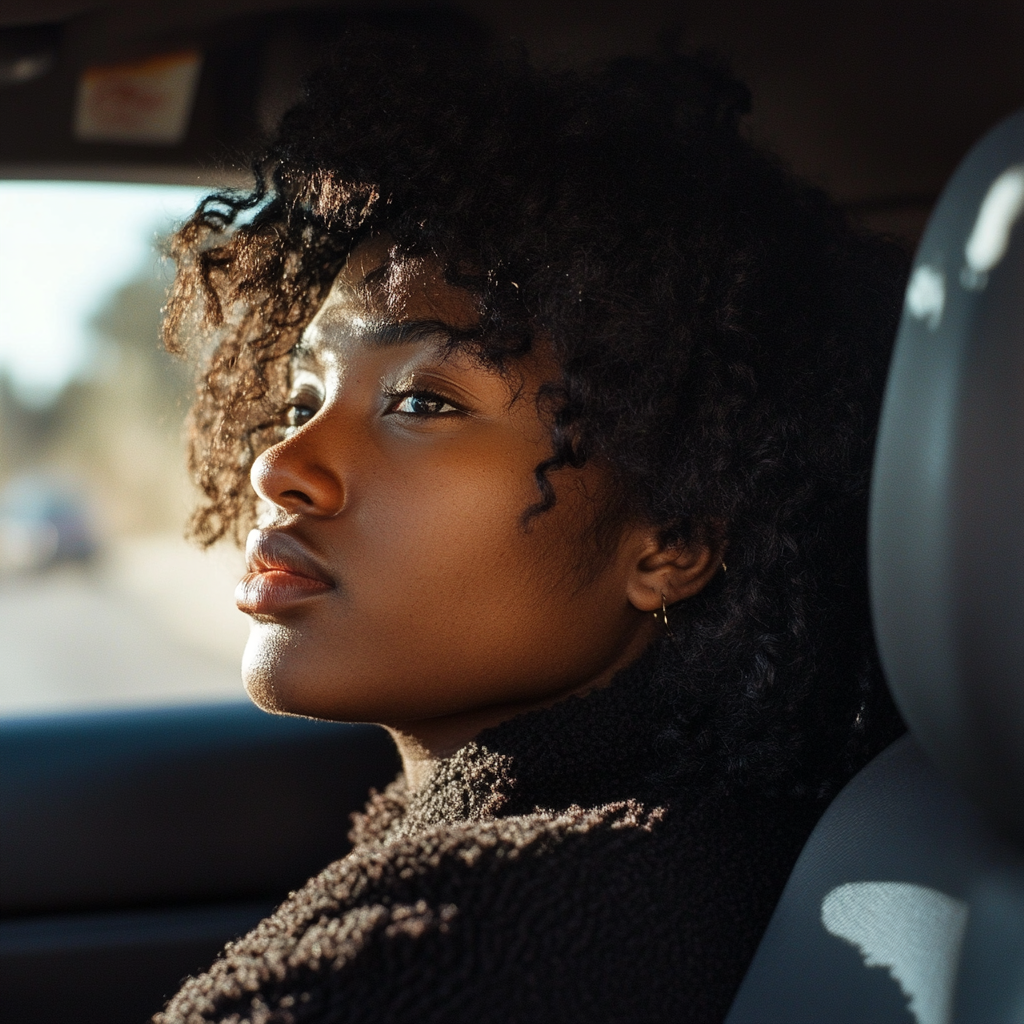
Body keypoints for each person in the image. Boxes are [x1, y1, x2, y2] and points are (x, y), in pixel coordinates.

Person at [156, 24, 906, 1024]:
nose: (279, 466)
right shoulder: (681, 845)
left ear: (673, 542)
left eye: (423, 402)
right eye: (302, 399)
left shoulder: (422, 961)